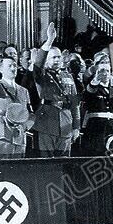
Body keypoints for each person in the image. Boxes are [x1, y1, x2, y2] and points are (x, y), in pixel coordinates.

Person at [32, 25, 80, 156]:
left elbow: (75, 103)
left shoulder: (68, 76)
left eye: (59, 57)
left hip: (66, 124)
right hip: (47, 123)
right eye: (54, 57)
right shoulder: (42, 75)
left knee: (64, 164)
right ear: (47, 60)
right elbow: (38, 65)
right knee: (46, 164)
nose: (57, 60)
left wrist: (76, 127)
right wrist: (49, 41)